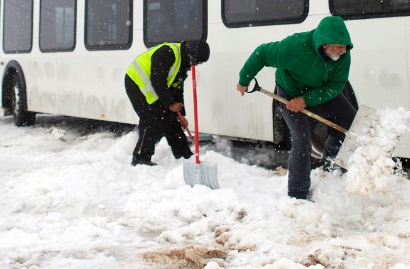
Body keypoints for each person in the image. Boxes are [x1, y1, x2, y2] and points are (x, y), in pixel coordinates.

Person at [235, 16, 356, 200]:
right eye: (339, 47)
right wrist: (244, 80)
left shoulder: (343, 56)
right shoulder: (293, 47)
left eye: (345, 46)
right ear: (324, 44)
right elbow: (262, 53)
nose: (343, 50)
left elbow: (336, 85)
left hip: (318, 92)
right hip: (289, 93)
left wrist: (306, 100)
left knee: (349, 119)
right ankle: (297, 195)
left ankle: (332, 166)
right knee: (301, 140)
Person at [126, 40, 211, 166]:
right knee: (152, 119)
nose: (197, 65)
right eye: (197, 62)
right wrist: (171, 104)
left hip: (155, 88)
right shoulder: (167, 52)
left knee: (171, 119)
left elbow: (177, 89)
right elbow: (157, 80)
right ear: (191, 55)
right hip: (136, 83)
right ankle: (140, 158)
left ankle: (183, 155)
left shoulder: (182, 64)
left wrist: (180, 114)